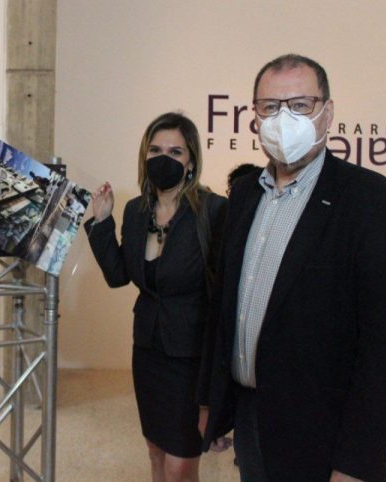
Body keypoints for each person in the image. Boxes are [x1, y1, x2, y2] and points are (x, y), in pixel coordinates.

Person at [198, 54, 386, 482]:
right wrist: (215, 402)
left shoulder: (375, 204)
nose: (284, 120)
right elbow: (224, 308)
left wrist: (357, 464)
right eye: (270, 107)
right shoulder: (244, 195)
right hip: (251, 417)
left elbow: (382, 353)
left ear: (328, 113)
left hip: (323, 431)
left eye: (300, 105)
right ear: (254, 117)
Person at [86, 112, 228, 482]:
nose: (164, 158)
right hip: (147, 351)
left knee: (181, 463)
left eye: (175, 151)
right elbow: (119, 276)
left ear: (191, 161)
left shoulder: (212, 211)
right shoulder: (136, 211)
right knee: (155, 450)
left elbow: (225, 296)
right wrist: (101, 222)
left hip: (191, 357)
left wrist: (219, 388)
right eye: (155, 150)